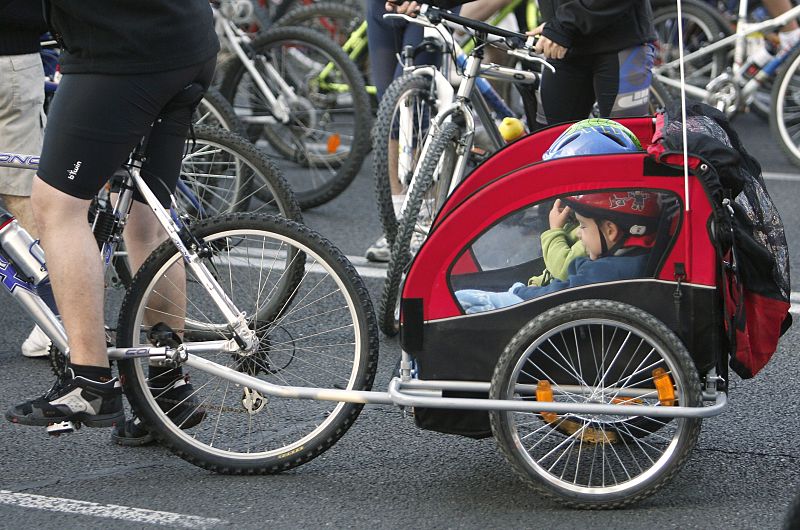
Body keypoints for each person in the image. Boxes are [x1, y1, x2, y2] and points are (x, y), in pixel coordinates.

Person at [4, 0, 219, 439]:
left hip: (121, 50)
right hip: (186, 37)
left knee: (57, 207)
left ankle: (90, 381)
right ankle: (166, 391)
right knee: (148, 219)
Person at [456, 190, 661, 313]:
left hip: (539, 310)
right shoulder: (634, 260)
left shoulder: (606, 272)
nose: (580, 235)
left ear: (610, 230)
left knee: (464, 299)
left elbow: (558, 294)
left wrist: (520, 291)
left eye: (582, 226)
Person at [0, 1, 56, 358]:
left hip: (12, 55)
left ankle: (56, 311)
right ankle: (55, 314)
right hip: (13, 57)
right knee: (21, 193)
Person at [528, 0, 656, 126]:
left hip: (621, 40)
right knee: (548, 139)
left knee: (624, 138)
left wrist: (562, 26)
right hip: (564, 43)